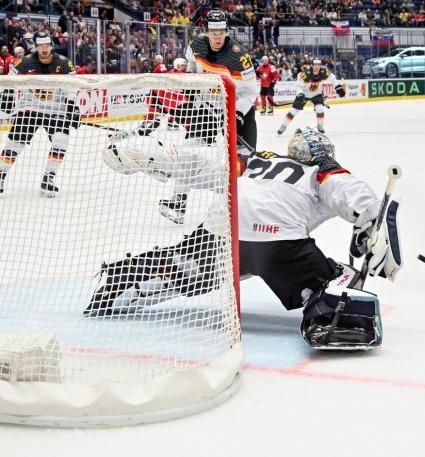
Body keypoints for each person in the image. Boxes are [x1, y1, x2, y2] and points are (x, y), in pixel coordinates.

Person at [87, 128, 403, 350]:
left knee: (190, 269)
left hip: (223, 226)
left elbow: (210, 165)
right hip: (277, 240)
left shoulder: (257, 159)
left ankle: (127, 276)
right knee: (340, 279)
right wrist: (373, 226)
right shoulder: (323, 172)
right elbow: (357, 198)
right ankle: (330, 318)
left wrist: (159, 158)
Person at [0, 30, 78, 197]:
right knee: (15, 145)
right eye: (40, 46)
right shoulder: (24, 62)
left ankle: (48, 179)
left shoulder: (64, 63)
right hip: (30, 107)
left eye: (47, 45)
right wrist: (7, 97)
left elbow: (72, 87)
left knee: (61, 140)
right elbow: (9, 80)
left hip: (55, 109)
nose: (44, 49)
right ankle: (0, 175)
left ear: (51, 45)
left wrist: (72, 106)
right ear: (35, 47)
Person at [185, 9, 258, 148]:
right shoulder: (197, 44)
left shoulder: (239, 56)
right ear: (206, 32)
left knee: (245, 158)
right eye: (213, 33)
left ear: (227, 32)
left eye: (221, 33)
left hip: (236, 106)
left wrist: (238, 114)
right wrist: (190, 78)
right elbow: (191, 61)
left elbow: (250, 92)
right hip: (207, 106)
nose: (217, 38)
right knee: (194, 151)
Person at [277, 59, 345, 135]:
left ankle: (320, 125)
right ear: (312, 65)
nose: (317, 66)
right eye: (315, 64)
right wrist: (300, 94)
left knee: (320, 109)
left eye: (318, 64)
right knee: (293, 111)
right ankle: (283, 125)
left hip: (317, 94)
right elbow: (298, 86)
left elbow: (333, 79)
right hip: (304, 95)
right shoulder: (304, 74)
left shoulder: (325, 73)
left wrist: (339, 87)